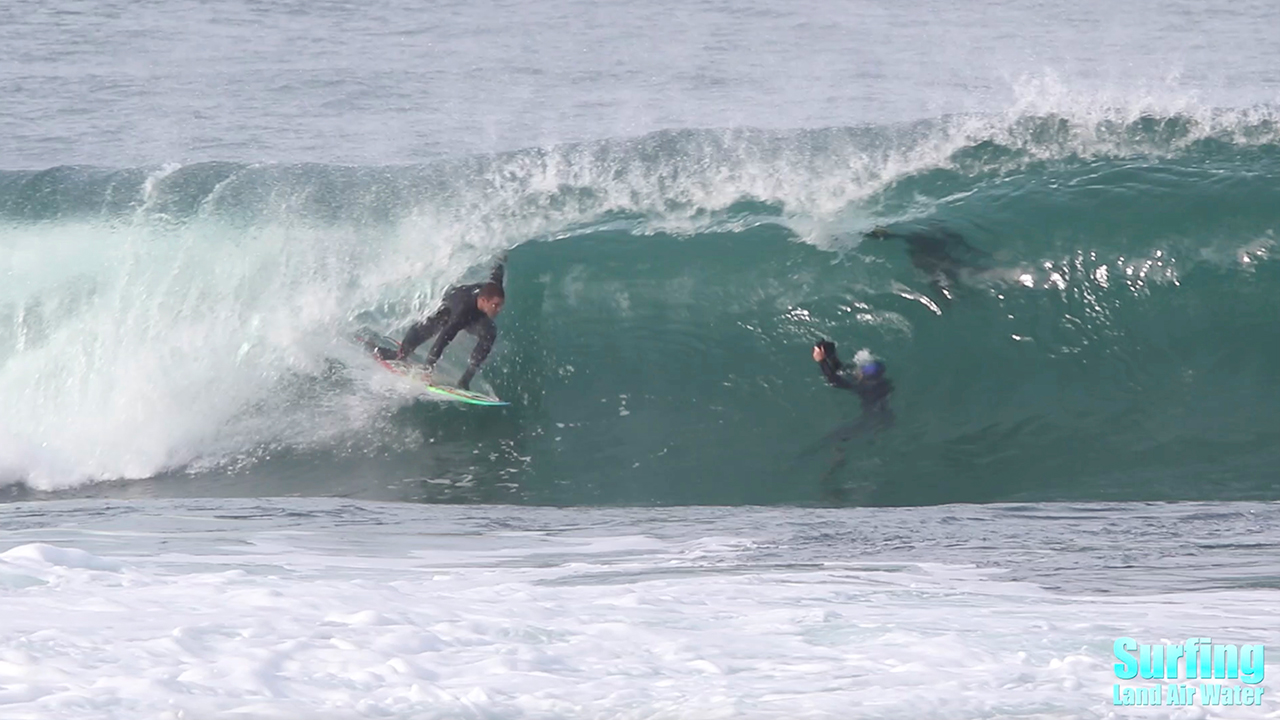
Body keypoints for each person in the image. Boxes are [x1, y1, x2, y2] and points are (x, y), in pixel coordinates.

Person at [375, 258, 506, 390]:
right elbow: (442, 341)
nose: (499, 309)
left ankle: (464, 381)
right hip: (448, 309)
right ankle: (400, 355)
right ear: (483, 300)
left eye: (500, 305)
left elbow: (496, 274)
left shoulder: (494, 290)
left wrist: (500, 258)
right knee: (429, 326)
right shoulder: (462, 312)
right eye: (495, 306)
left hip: (475, 315)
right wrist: (428, 369)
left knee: (489, 333)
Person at [810, 338, 894, 504]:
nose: (856, 372)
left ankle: (833, 487)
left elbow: (834, 380)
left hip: (871, 422)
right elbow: (843, 372)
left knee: (839, 443)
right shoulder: (879, 384)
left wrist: (821, 362)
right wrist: (831, 355)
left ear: (865, 377)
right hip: (883, 419)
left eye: (860, 371)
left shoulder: (865, 387)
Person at [865, 225, 991, 302]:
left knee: (943, 277)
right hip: (939, 251)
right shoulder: (923, 248)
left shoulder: (926, 254)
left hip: (937, 253)